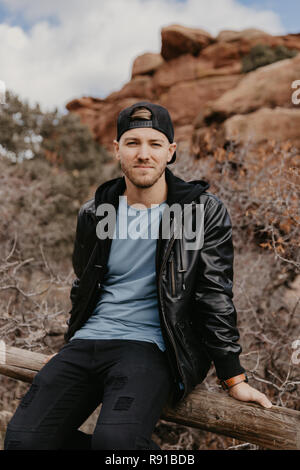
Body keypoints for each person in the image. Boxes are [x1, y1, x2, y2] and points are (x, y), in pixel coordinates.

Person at [4, 101, 272, 451]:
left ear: (171, 152)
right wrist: (71, 342)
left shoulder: (200, 211)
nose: (143, 154)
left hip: (152, 346)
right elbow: (83, 285)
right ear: (117, 150)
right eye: (132, 143)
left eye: (154, 144)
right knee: (23, 441)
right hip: (88, 342)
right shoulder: (96, 212)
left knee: (116, 444)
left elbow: (214, 295)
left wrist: (233, 377)